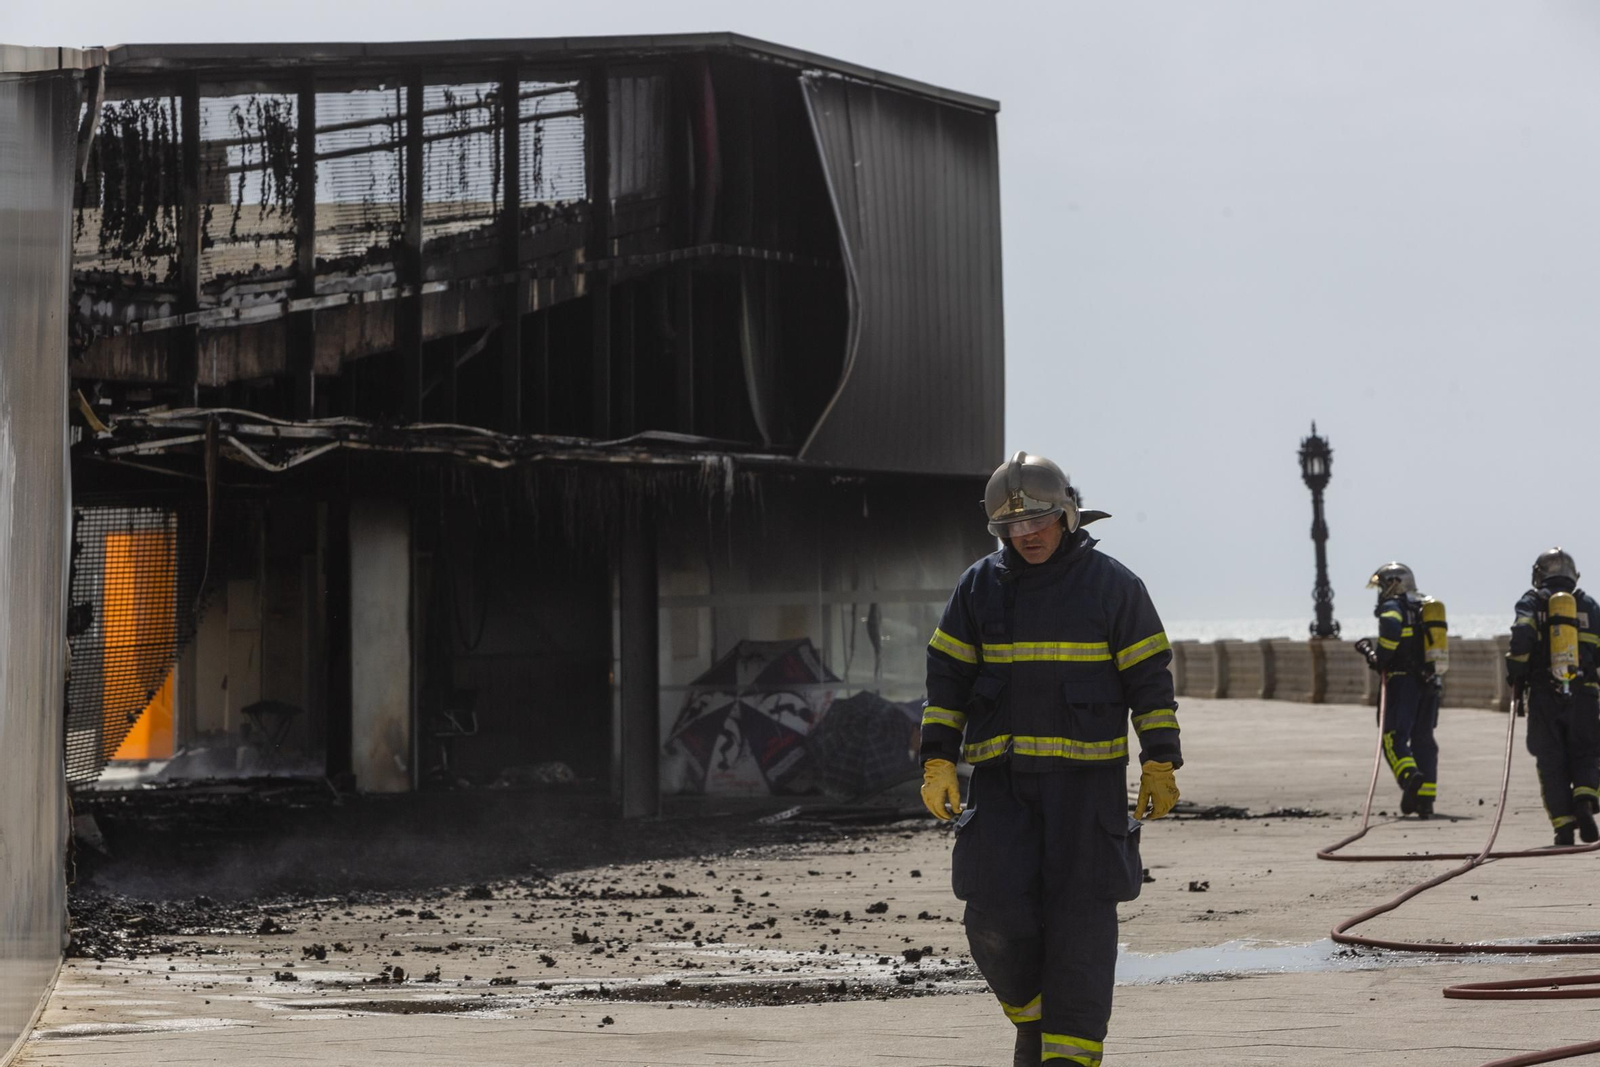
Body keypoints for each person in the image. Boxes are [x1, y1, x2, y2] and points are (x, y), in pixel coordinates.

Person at [919, 451, 1181, 1067]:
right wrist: (937, 760)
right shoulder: (978, 587)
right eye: (1011, 525)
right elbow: (947, 681)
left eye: (1037, 520)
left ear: (1067, 514)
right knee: (992, 916)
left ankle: (1068, 1057)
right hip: (1002, 789)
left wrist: (1160, 761)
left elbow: (1150, 680)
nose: (1026, 534)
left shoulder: (1115, 587)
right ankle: (1033, 1019)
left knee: (1081, 932)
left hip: (1086, 793)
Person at [1506, 548, 1600, 846]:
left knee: (1550, 760)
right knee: (1587, 752)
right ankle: (1584, 801)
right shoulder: (1588, 604)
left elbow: (1521, 637)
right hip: (1584, 693)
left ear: (1539, 574)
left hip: (1545, 693)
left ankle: (1563, 827)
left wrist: (1516, 672)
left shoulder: (1532, 601)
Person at [1353, 563, 1440, 817]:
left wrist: (1379, 658)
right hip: (1430, 682)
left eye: (1382, 586)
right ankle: (1425, 800)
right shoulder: (1424, 606)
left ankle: (1409, 776)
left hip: (1403, 682)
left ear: (1393, 584)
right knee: (1424, 739)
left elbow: (1391, 631)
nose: (1380, 593)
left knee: (1393, 737)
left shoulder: (1393, 606)